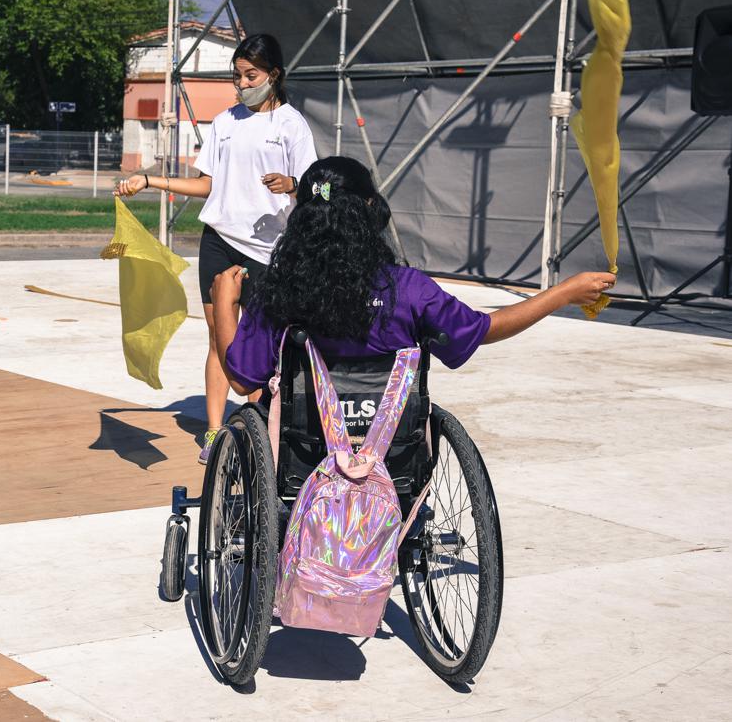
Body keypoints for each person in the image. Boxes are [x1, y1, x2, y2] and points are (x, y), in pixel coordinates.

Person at [210, 156, 616, 407]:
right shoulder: (407, 289)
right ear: (370, 209)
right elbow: (485, 329)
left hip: (302, 450)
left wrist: (226, 307)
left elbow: (243, 380)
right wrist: (563, 292)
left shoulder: (281, 293)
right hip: (390, 449)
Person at [116, 33, 318, 463]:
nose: (242, 84)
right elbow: (206, 184)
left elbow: (313, 190)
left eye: (251, 76)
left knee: (261, 344)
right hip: (219, 243)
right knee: (217, 338)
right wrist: (150, 181)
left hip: (267, 251)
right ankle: (213, 432)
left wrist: (293, 185)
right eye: (237, 77)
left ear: (273, 75)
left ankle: (262, 430)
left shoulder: (291, 125)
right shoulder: (225, 123)